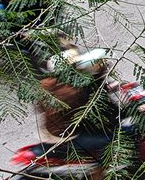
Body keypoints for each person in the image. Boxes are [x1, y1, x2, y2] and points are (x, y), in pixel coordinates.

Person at [37, 49, 116, 180]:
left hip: (52, 130)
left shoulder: (47, 84)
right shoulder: (71, 90)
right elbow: (88, 112)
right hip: (66, 135)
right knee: (107, 143)